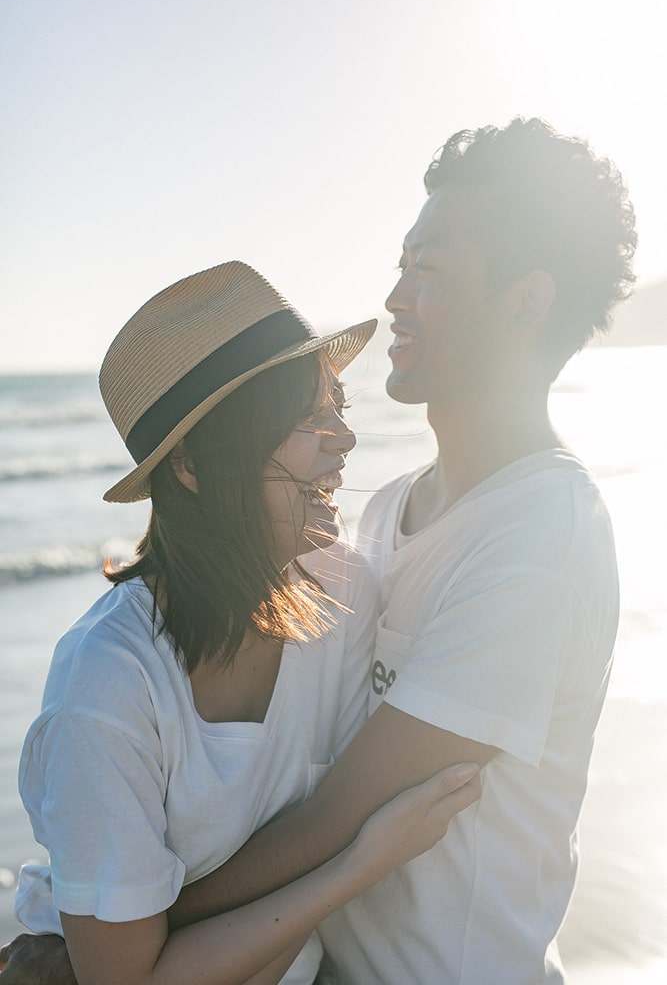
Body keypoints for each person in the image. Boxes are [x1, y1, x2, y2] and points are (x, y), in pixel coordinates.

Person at [125, 118, 635, 984]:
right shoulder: (396, 505)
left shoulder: (540, 539)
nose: (394, 297)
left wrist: (117, 922)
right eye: (400, 265)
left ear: (524, 301)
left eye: (427, 270)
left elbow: (338, 814)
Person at [1, 260, 481, 985]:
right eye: (301, 417)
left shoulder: (344, 589)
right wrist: (362, 862)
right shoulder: (106, 688)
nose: (341, 439)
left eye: (337, 406)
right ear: (191, 464)